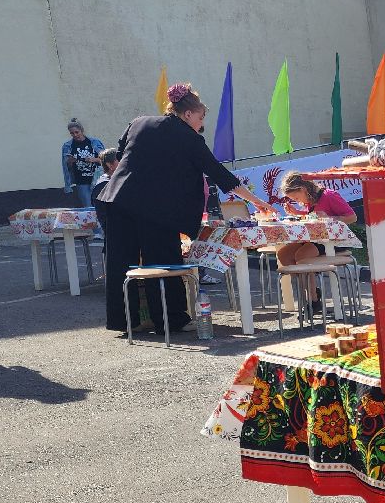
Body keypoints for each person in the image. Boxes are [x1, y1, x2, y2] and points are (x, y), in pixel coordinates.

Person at [99, 83, 273, 334]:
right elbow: (220, 174)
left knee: (120, 263)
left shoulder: (139, 122)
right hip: (156, 209)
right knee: (161, 262)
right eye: (201, 118)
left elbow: (122, 148)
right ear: (188, 114)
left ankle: (125, 320)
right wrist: (257, 202)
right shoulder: (190, 139)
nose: (201, 125)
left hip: (118, 200)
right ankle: (170, 320)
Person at [276, 172, 359, 310]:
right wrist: (297, 213)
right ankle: (312, 289)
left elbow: (352, 217)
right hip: (316, 239)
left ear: (303, 189)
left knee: (302, 256)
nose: (297, 201)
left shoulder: (329, 196)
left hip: (333, 241)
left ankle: (313, 300)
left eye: (296, 197)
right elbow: (314, 217)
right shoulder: (311, 200)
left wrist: (330, 218)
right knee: (284, 254)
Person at [61, 120, 105, 207]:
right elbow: (66, 167)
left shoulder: (94, 142)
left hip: (97, 178)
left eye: (77, 132)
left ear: (82, 130)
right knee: (88, 207)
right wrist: (70, 161)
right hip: (81, 180)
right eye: (72, 133)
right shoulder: (68, 146)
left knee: (100, 206)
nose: (75, 135)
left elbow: (105, 159)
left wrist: (94, 159)